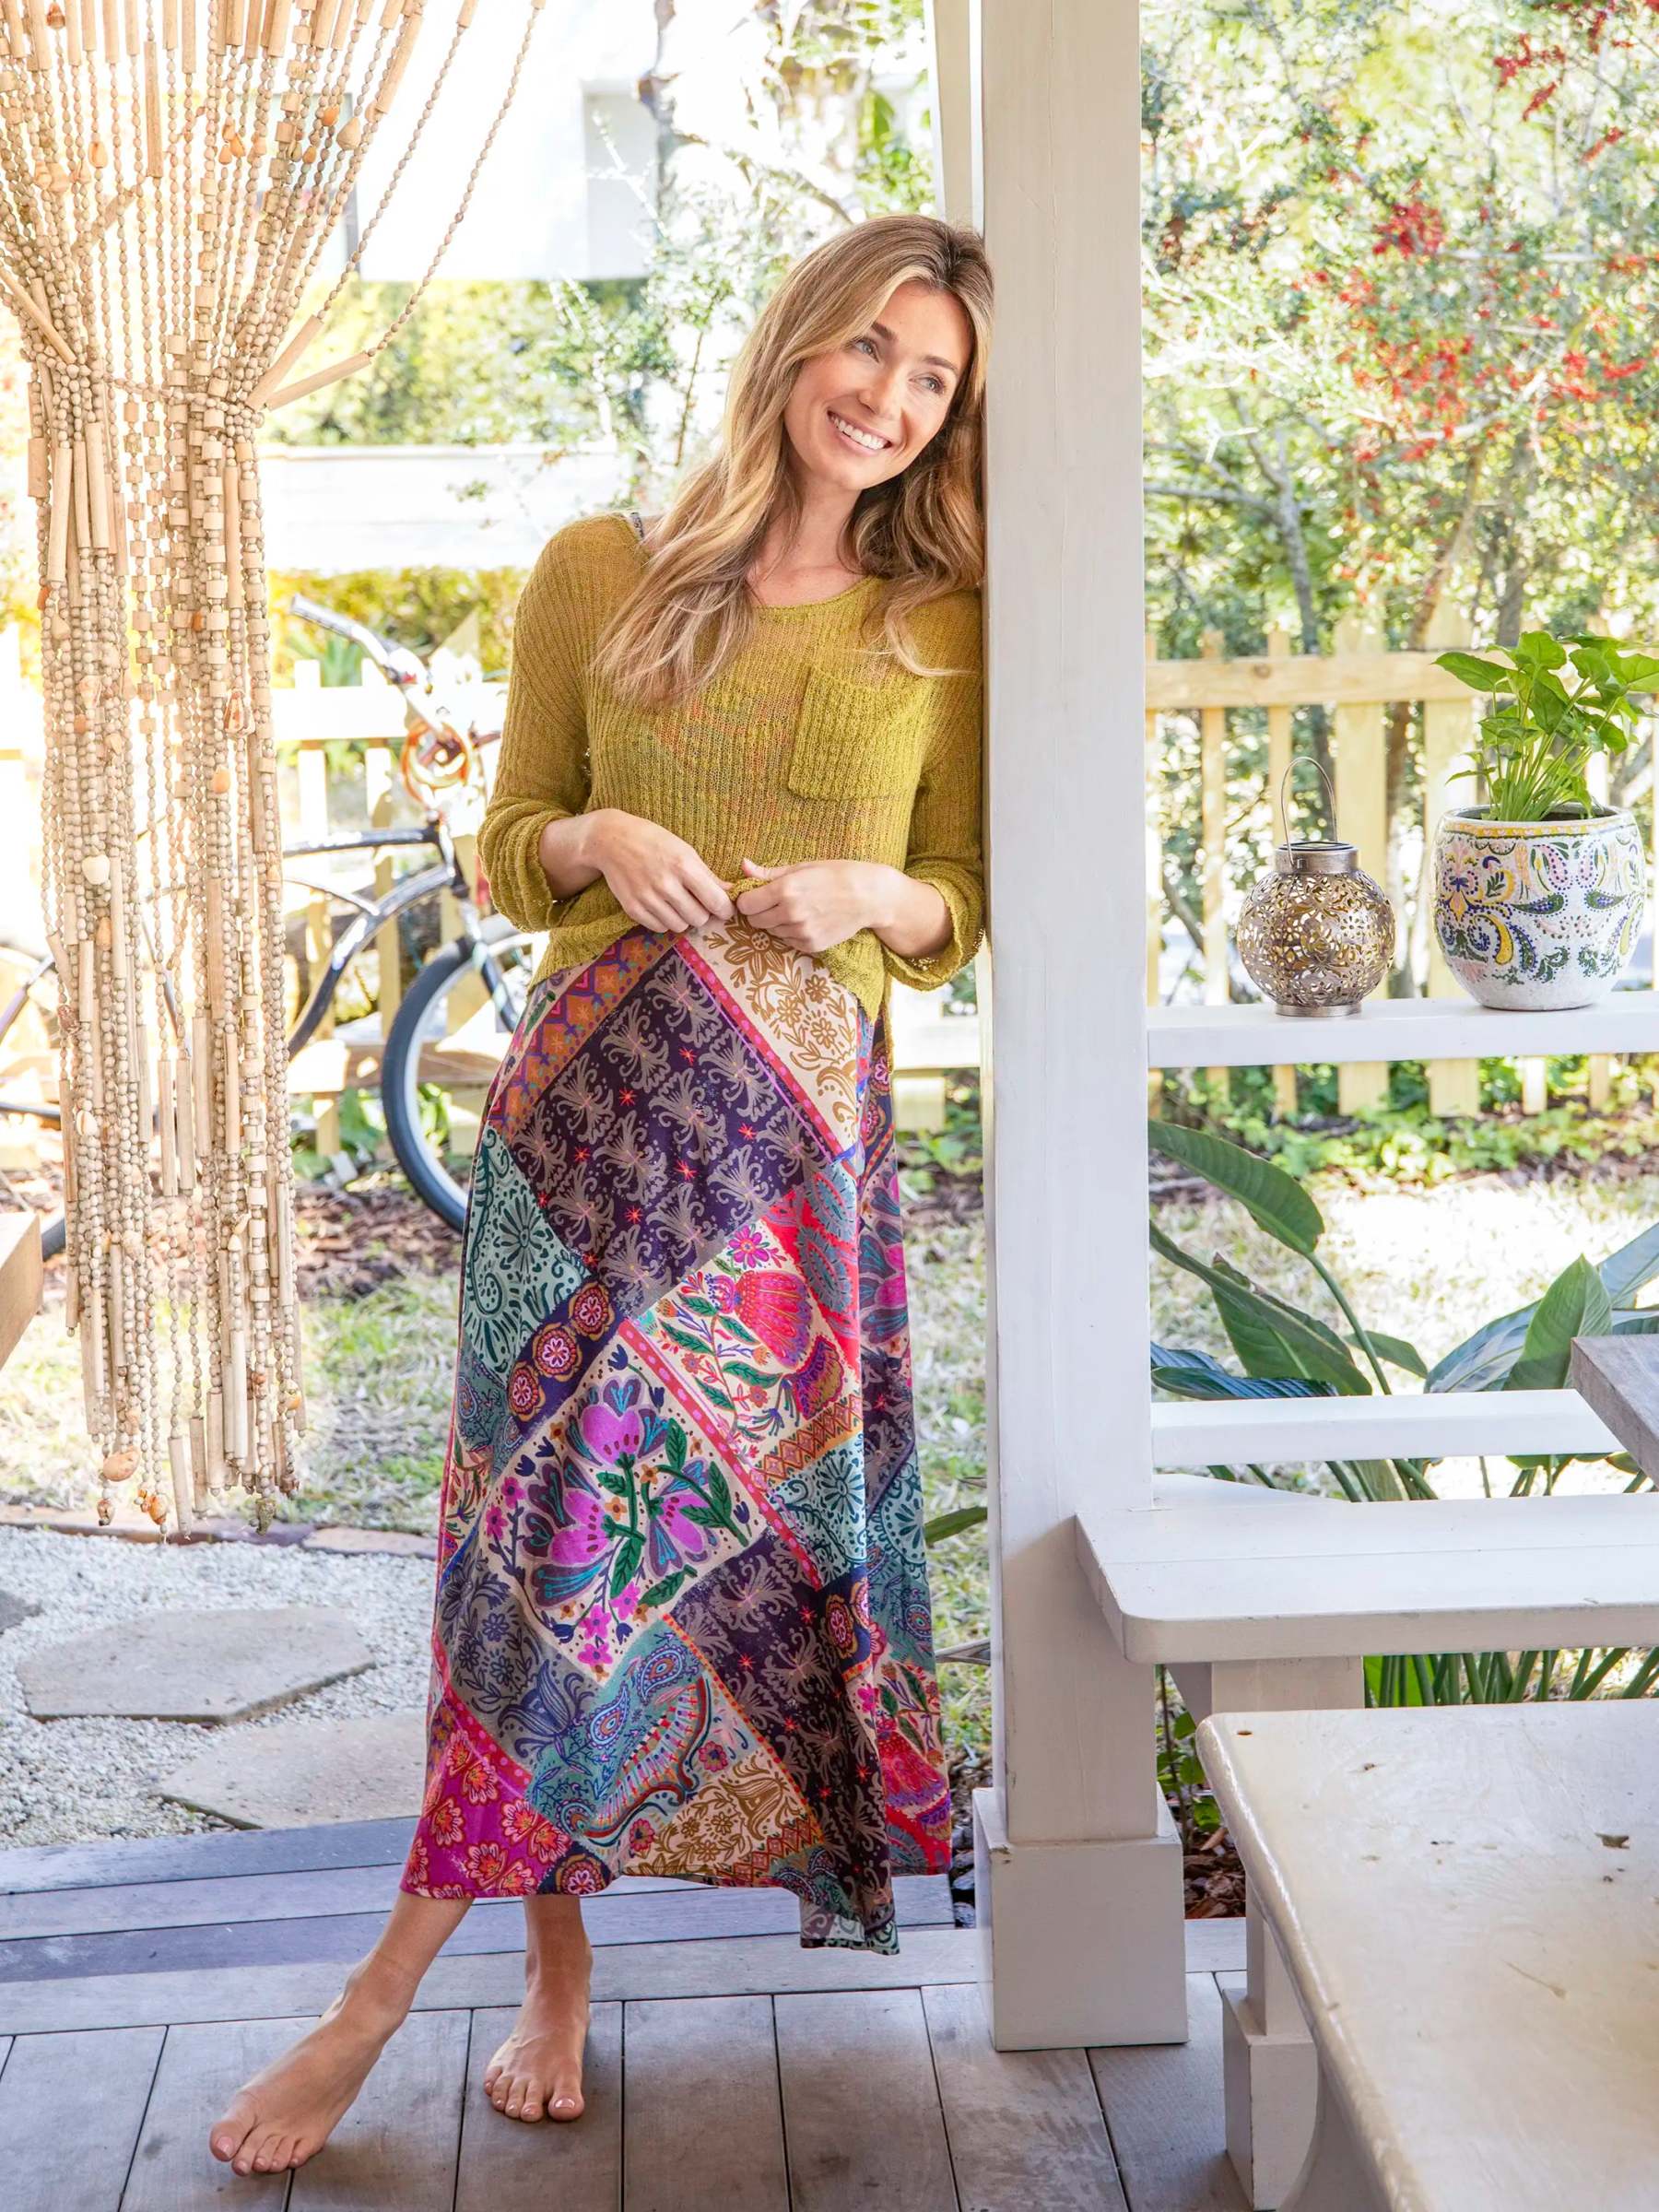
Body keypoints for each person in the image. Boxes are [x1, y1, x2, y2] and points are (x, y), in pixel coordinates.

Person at [208, 209, 993, 2178]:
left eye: (934, 381)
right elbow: (505, 844)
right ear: (797, 340)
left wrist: (875, 894)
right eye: (872, 351)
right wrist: (593, 835)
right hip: (583, 1144)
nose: (891, 401)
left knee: (696, 1566)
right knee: (534, 1565)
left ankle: (389, 1995)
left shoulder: (946, 620)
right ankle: (516, 1976)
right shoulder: (598, 568)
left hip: (788, 1172)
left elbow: (963, 896)